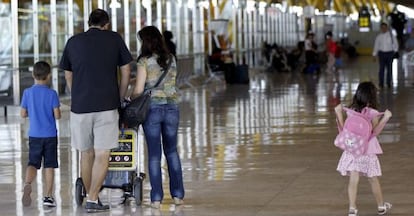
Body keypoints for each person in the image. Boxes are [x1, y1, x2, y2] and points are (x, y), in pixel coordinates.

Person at [59, 9, 132, 212]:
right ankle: (92, 198)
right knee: (102, 154)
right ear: (106, 24)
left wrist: (78, 95)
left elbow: (68, 75)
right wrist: (120, 95)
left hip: (80, 107)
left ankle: (91, 196)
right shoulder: (114, 39)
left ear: (88, 22)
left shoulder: (73, 41)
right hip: (107, 105)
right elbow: (126, 70)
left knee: (86, 153)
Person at [131, 26, 184, 209]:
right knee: (172, 151)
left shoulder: (144, 61)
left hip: (152, 109)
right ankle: (177, 195)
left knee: (154, 154)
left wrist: (130, 97)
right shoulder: (171, 59)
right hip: (172, 108)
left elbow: (138, 90)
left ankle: (156, 198)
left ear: (145, 42)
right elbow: (172, 83)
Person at [334, 81, 393, 216]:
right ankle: (381, 206)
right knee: (373, 179)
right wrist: (385, 118)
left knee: (353, 179)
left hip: (353, 150)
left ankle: (352, 209)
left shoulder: (351, 111)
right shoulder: (373, 113)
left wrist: (338, 113)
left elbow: (344, 131)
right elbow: (374, 133)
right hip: (367, 151)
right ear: (372, 96)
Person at [21, 61, 61, 207]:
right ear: (49, 76)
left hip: (34, 135)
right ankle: (48, 197)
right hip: (49, 135)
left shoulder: (27, 93)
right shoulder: (52, 94)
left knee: (33, 163)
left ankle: (27, 183)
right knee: (49, 165)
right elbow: (57, 116)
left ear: (33, 74)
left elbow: (23, 113)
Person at [372, 23, 399, 88]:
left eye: (385, 27)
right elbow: (376, 46)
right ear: (381, 28)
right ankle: (381, 83)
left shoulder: (391, 36)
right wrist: (374, 54)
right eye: (382, 27)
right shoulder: (379, 37)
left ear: (387, 28)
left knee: (389, 69)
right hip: (381, 54)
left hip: (390, 54)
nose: (383, 29)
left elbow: (396, 44)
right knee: (381, 69)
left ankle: (388, 83)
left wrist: (395, 51)